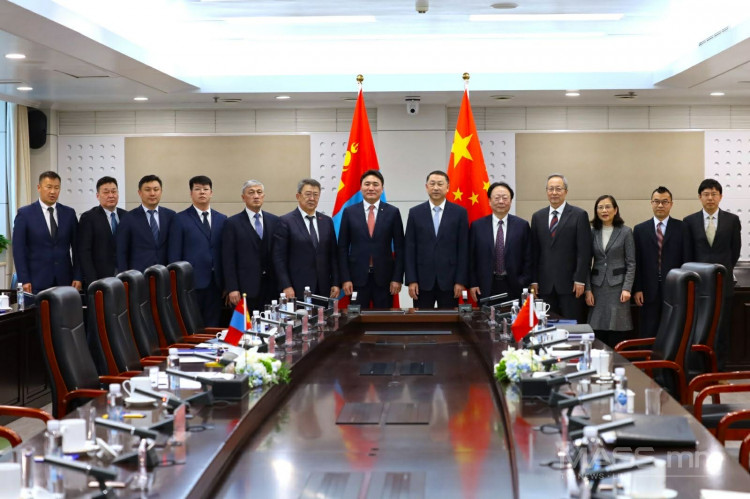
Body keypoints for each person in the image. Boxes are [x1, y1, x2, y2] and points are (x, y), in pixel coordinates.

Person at [683, 178, 741, 371]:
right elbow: (688, 254)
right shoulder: (689, 221)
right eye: (706, 194)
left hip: (723, 284)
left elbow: (734, 251)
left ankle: (719, 370)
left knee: (721, 329)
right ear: (700, 197)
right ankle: (697, 370)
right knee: (698, 328)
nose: (710, 198)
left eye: (714, 194)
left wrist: (723, 272)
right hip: (698, 285)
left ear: (720, 196)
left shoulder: (732, 220)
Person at [338, 170, 404, 308]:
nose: (371, 188)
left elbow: (400, 248)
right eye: (367, 184)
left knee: (383, 318)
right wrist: (345, 278)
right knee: (356, 318)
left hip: (385, 279)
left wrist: (397, 278)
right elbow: (342, 248)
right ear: (361, 187)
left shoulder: (393, 212)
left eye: (375, 184)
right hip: (356, 279)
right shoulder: (349, 212)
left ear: (382, 188)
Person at [530, 174, 591, 321]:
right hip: (544, 285)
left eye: (558, 189)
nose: (554, 192)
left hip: (571, 285)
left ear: (566, 191)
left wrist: (580, 279)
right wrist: (534, 280)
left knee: (571, 325)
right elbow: (534, 252)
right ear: (546, 191)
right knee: (546, 325)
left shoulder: (579, 215)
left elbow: (584, 251)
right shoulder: (537, 217)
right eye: (550, 189)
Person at [405, 170, 469, 309]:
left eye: (440, 184)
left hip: (450, 281)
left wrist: (460, 280)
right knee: (422, 320)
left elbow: (463, 249)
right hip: (422, 281)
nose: (436, 188)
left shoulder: (459, 213)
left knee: (448, 320)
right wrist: (411, 280)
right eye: (432, 184)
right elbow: (409, 248)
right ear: (426, 187)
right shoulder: (415, 212)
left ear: (448, 187)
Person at [168, 175, 227, 326]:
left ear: (211, 193)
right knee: (192, 325)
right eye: (198, 189)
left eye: (206, 189)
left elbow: (226, 253)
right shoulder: (180, 219)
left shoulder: (222, 219)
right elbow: (174, 255)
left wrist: (227, 283)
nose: (202, 192)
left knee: (213, 325)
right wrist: (178, 284)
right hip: (191, 283)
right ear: (191, 193)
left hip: (216, 283)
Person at [632, 186, 689, 338]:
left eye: (665, 202)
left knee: (673, 331)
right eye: (656, 201)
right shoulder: (640, 230)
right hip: (647, 290)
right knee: (648, 331)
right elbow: (636, 262)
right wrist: (637, 289)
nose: (660, 205)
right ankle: (648, 354)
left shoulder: (683, 228)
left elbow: (686, 261)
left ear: (671, 204)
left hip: (674, 288)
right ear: (651, 203)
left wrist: (684, 288)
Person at [12, 171, 81, 293]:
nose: (53, 192)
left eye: (56, 188)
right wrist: (24, 280)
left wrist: (78, 276)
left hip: (65, 280)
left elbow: (77, 248)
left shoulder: (69, 213)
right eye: (49, 187)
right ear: (39, 188)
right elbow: (18, 251)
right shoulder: (25, 214)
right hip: (36, 280)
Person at [273, 178, 340, 299]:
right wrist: (286, 285)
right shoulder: (285, 222)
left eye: (316, 195)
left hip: (324, 288)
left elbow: (333, 255)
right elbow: (279, 259)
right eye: (308, 194)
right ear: (298, 196)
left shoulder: (327, 221)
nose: (312, 198)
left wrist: (335, 282)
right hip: (296, 288)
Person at [584, 195, 636, 348]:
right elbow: (586, 263)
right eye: (600, 207)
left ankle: (617, 360)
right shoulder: (592, 232)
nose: (604, 210)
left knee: (617, 328)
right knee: (598, 330)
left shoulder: (625, 232)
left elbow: (631, 263)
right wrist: (588, 289)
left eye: (607, 207)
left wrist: (627, 288)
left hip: (618, 288)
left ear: (615, 210)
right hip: (597, 287)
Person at [469, 181, 531, 303]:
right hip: (485, 286)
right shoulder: (477, 226)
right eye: (497, 198)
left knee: (514, 315)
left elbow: (529, 257)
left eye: (505, 198)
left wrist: (523, 281)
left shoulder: (522, 225)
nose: (501, 201)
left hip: (514, 285)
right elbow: (471, 258)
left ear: (511, 201)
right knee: (485, 315)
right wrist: (473, 283)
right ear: (489, 201)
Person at [223, 180, 280, 313]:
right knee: (247, 325)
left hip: (271, 287)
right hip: (245, 289)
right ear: (243, 197)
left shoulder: (275, 221)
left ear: (263, 196)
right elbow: (228, 259)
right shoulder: (232, 223)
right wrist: (232, 288)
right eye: (251, 192)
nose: (256, 196)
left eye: (259, 192)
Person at [117, 174, 175, 272]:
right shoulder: (128, 218)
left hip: (165, 273)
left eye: (156, 189)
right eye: (147, 190)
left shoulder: (171, 216)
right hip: (138, 275)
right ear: (139, 193)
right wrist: (124, 276)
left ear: (161, 191)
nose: (152, 193)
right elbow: (121, 252)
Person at [76, 176, 127, 289]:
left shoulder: (126, 216)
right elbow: (84, 252)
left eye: (114, 191)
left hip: (124, 276)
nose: (111, 195)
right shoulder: (88, 217)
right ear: (97, 196)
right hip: (100, 278)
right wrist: (92, 281)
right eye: (106, 192)